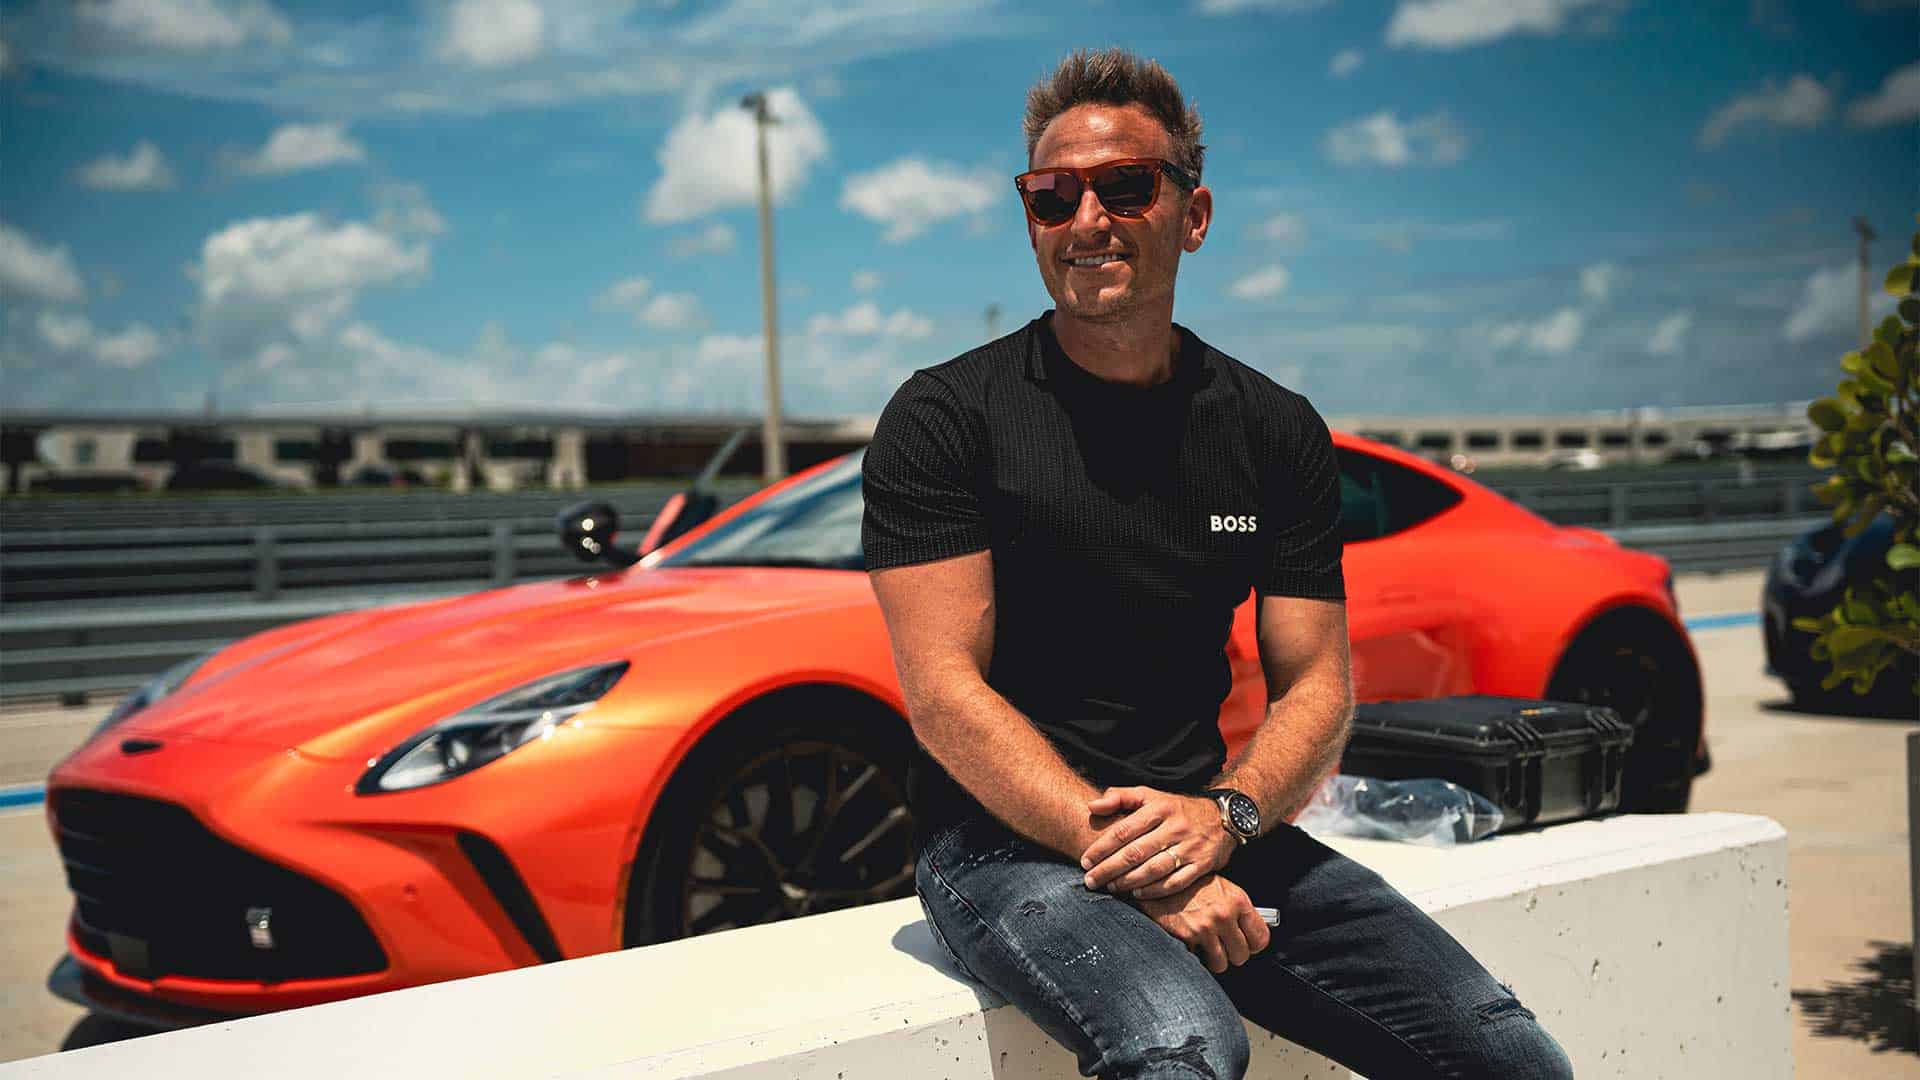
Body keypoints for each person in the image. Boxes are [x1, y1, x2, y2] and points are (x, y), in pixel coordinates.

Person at [860, 48, 1575, 1080]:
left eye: (1126, 187)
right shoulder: (946, 417)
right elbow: (941, 695)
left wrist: (1226, 819)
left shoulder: (1272, 430)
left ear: (1192, 215)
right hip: (1000, 843)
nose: (1087, 221)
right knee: (1182, 1047)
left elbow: (1318, 682)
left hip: (1210, 822)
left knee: (1512, 1061)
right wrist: (1141, 864)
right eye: (1052, 197)